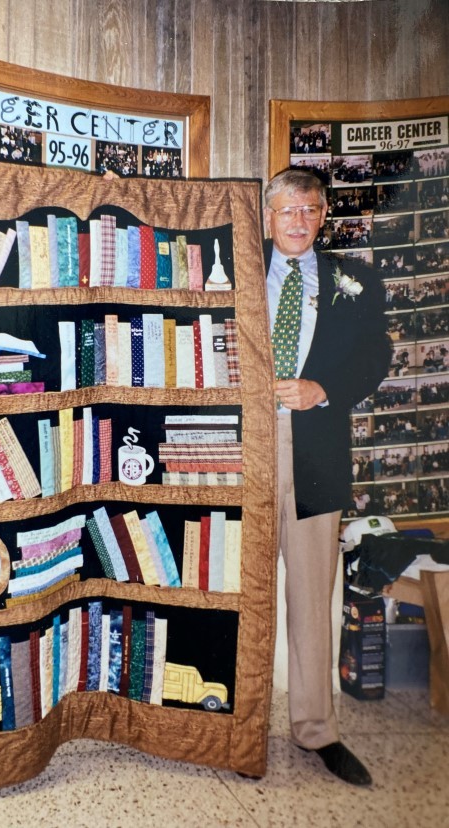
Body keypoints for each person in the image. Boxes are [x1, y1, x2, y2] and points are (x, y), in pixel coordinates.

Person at [263, 169, 391, 786]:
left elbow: (376, 357)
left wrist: (324, 390)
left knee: (313, 593)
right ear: (268, 216)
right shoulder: (232, 264)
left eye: (309, 210)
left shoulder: (357, 281)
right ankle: (233, 722)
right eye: (286, 209)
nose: (297, 221)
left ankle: (316, 729)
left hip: (316, 447)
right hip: (242, 449)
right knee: (239, 592)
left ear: (322, 216)